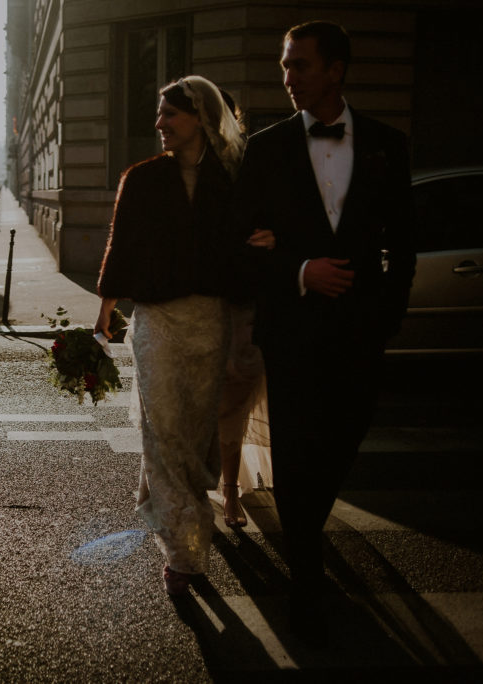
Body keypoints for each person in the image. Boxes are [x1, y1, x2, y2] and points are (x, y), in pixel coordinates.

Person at [232, 21, 416, 641]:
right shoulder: (267, 148)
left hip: (361, 333)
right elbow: (242, 245)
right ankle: (306, 578)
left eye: (299, 66)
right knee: (296, 454)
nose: (287, 78)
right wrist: (302, 269)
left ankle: (306, 535)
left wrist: (387, 315)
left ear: (335, 70)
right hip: (293, 331)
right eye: (285, 66)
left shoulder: (388, 145)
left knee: (343, 443)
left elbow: (405, 244)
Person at [95, 75, 255, 596]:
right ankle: (183, 550)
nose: (160, 124)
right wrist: (106, 307)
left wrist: (270, 239)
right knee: (162, 430)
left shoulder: (232, 180)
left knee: (194, 432)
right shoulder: (142, 179)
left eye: (170, 114)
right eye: (160, 114)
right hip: (157, 320)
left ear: (201, 119)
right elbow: (121, 246)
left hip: (211, 320)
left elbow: (246, 247)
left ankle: (171, 506)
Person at [215, 89, 273, 529]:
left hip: (239, 302)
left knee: (233, 402)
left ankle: (230, 490)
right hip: (195, 304)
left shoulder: (249, 161)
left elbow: (275, 214)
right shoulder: (176, 167)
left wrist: (274, 237)